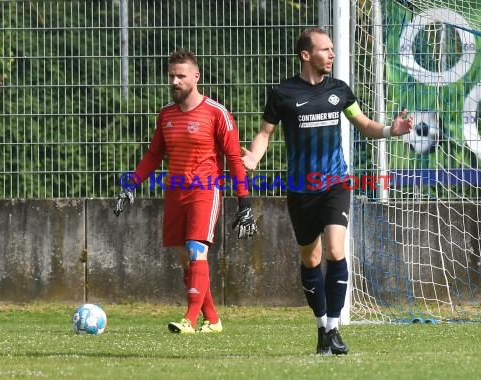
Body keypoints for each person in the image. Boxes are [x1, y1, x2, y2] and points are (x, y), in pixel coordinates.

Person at [242, 27, 413, 355]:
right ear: (306, 55)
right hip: (300, 190)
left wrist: (392, 129)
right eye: (325, 49)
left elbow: (363, 124)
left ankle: (334, 329)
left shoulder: (340, 91)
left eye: (333, 49)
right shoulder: (283, 93)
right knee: (311, 258)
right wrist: (253, 156)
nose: (332, 54)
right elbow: (265, 133)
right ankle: (322, 327)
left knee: (336, 251)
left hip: (336, 184)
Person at [114, 48, 257, 334]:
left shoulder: (218, 113)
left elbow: (233, 158)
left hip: (205, 191)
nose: (175, 81)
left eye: (181, 76)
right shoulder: (166, 115)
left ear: (196, 77)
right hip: (175, 193)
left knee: (196, 250)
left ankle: (189, 320)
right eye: (171, 76)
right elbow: (154, 155)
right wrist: (131, 184)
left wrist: (245, 202)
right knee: (188, 262)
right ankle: (213, 319)